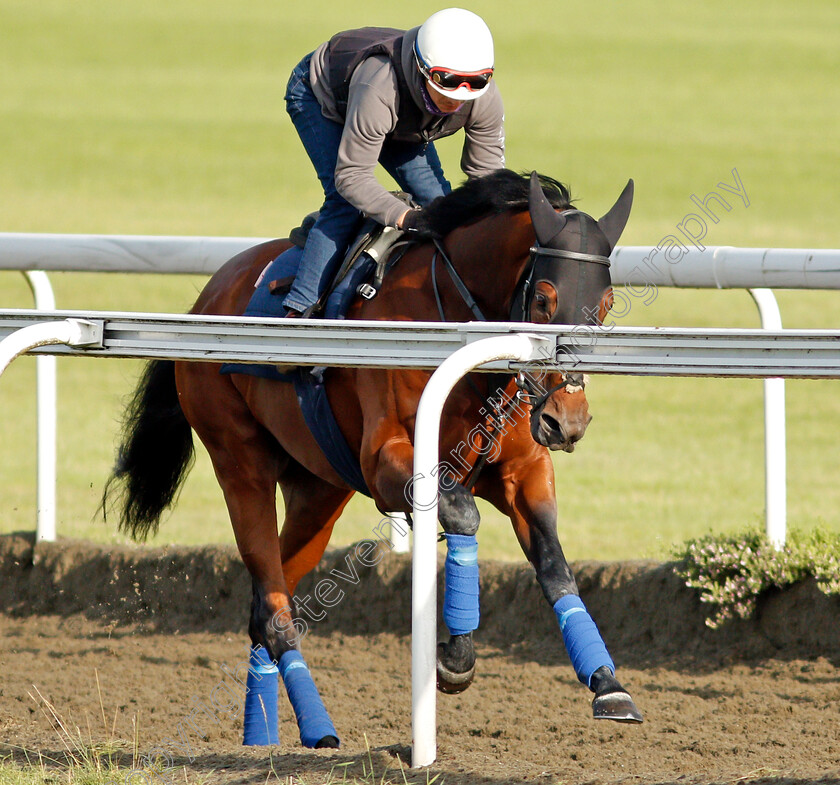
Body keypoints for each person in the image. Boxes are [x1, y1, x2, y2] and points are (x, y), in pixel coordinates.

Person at [279, 8, 505, 317]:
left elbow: (487, 181)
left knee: (440, 204)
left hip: (398, 117)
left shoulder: (484, 98)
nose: (457, 97)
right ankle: (300, 311)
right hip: (322, 96)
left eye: (475, 82)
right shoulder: (379, 85)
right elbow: (352, 177)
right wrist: (405, 218)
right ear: (424, 69)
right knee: (345, 204)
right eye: (446, 80)